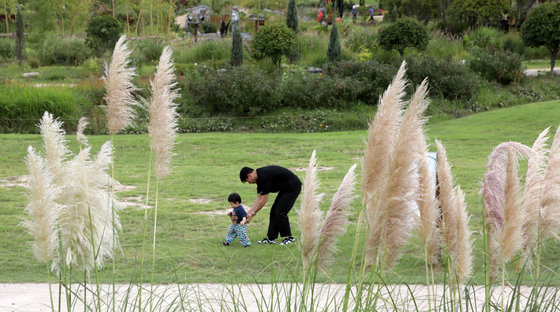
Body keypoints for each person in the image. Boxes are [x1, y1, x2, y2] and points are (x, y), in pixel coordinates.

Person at [240, 165, 302, 245]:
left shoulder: (263, 176)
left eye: (248, 181)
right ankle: (271, 238)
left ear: (249, 175)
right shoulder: (259, 177)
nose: (249, 183)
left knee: (280, 212)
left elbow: (264, 199)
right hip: (285, 188)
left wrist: (253, 214)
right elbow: (259, 197)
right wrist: (249, 212)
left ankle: (289, 238)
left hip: (292, 187)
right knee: (274, 211)